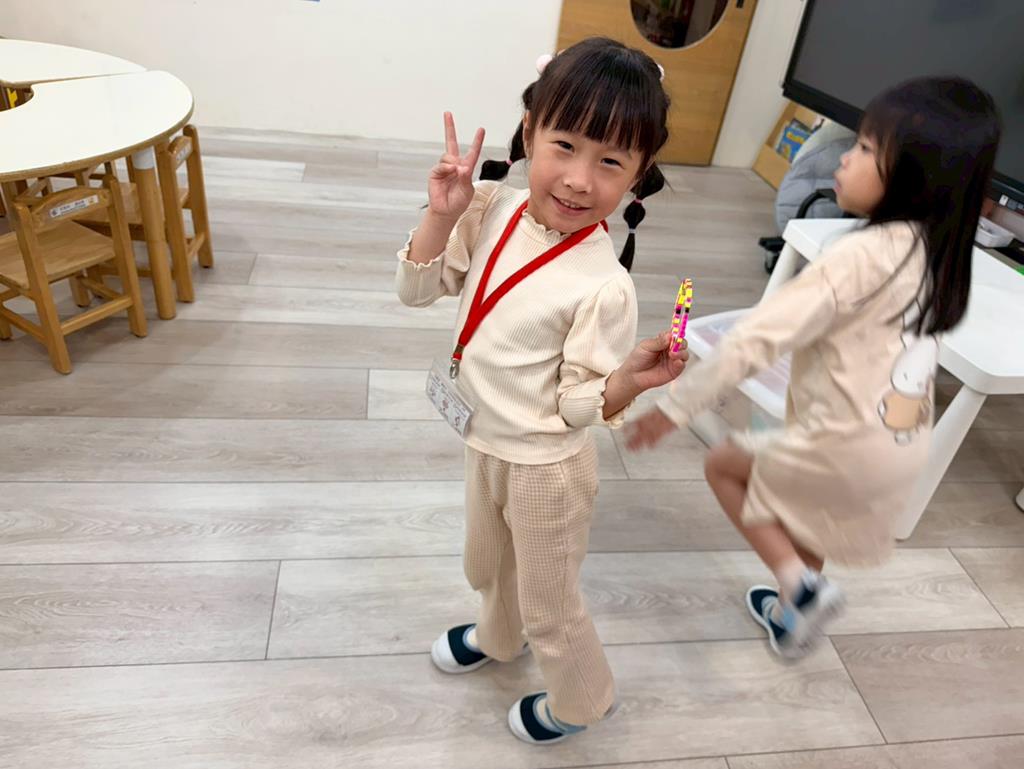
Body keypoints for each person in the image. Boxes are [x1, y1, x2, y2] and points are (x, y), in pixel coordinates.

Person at [628, 76, 1001, 659]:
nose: (844, 158)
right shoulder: (937, 257)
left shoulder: (854, 257)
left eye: (866, 149)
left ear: (913, 181)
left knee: (725, 467)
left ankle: (799, 585)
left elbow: (755, 339)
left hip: (838, 445)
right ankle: (794, 611)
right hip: (898, 447)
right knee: (809, 522)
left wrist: (674, 408)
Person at [395, 37, 684, 744]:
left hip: (546, 469)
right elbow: (416, 290)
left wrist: (625, 381)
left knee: (550, 603)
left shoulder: (604, 285)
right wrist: (442, 214)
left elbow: (575, 407)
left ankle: (583, 701)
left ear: (640, 174)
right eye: (565, 145)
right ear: (529, 132)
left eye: (611, 161)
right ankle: (500, 638)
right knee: (486, 563)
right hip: (484, 437)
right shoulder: (491, 205)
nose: (580, 180)